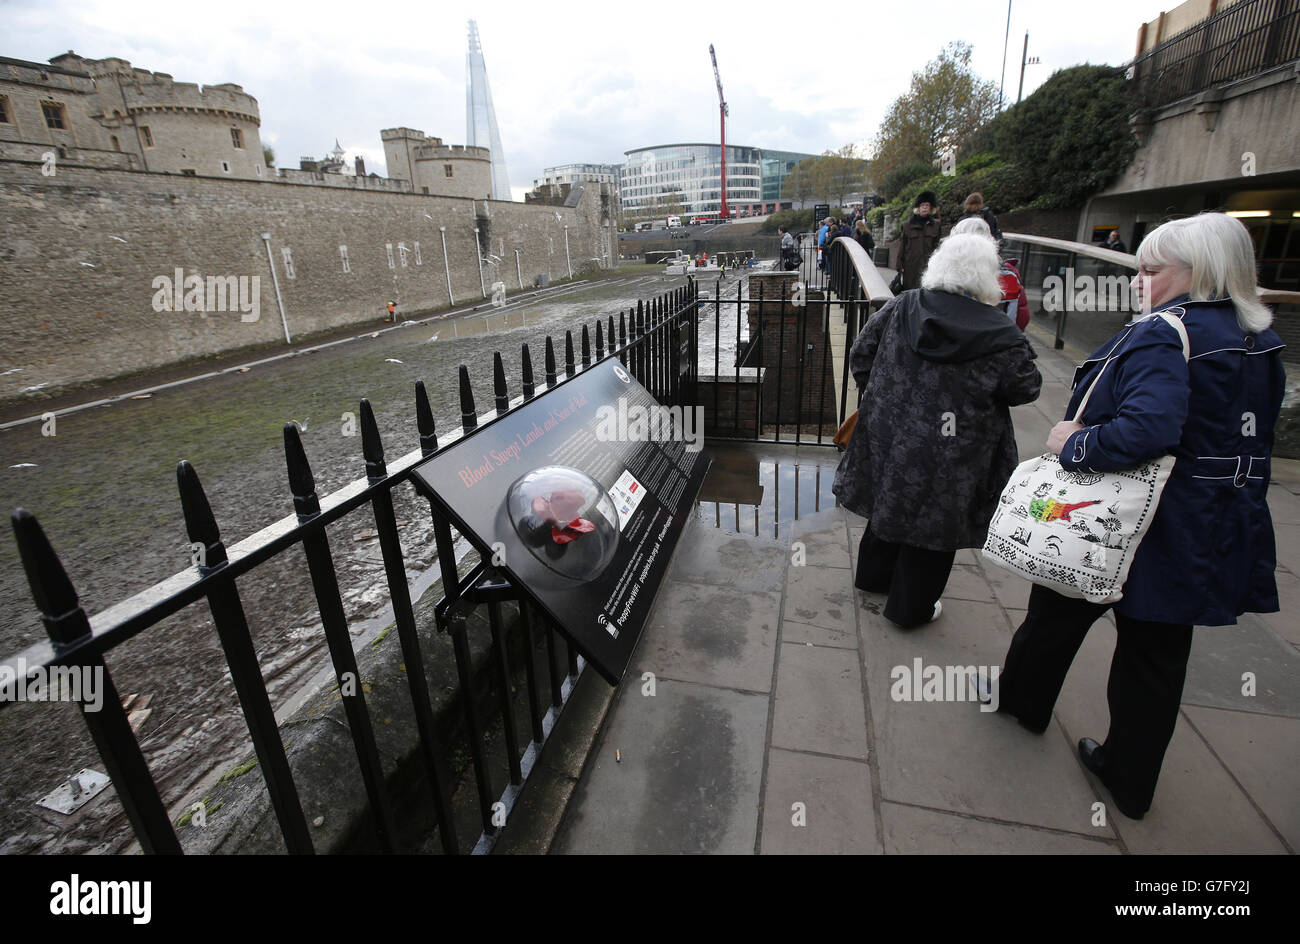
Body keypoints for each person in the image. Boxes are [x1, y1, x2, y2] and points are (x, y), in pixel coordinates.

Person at [994, 212, 1285, 820]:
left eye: (1151, 270)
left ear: (1199, 272)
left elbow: (1145, 429)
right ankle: (1129, 779)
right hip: (1200, 524)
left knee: (1054, 618)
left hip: (1121, 519)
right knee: (1155, 658)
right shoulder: (1257, 339)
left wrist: (1071, 442)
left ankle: (1023, 707)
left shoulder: (1163, 332)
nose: (1135, 280)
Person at [832, 233, 1042, 627]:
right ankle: (910, 609)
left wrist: (884, 401)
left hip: (892, 433)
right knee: (935, 526)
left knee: (888, 498)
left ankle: (873, 578)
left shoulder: (903, 306)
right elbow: (1025, 389)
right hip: (956, 448)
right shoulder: (1002, 335)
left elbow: (862, 354)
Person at [897, 191, 942, 290]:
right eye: (922, 205)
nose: (925, 207)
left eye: (927, 205)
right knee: (910, 293)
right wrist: (899, 266)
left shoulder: (936, 226)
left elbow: (937, 247)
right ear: (918, 208)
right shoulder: (907, 225)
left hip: (929, 265)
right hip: (911, 267)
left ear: (931, 208)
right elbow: (902, 246)